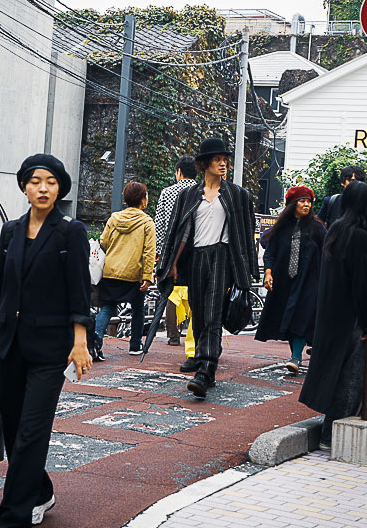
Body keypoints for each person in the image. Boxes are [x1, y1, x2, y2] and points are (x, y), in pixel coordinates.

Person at [0, 154, 91, 528]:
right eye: (35, 181)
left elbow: (80, 291)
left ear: (59, 188)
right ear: (24, 187)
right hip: (10, 345)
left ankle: (15, 522)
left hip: (50, 349)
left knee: (31, 431)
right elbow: (0, 291)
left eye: (50, 182)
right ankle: (40, 490)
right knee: (13, 430)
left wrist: (80, 342)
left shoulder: (70, 232)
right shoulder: (10, 232)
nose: (43, 188)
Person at [155, 137, 259, 399]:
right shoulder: (189, 194)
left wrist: (246, 268)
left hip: (223, 256)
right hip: (196, 258)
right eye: (217, 160)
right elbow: (178, 231)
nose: (223, 164)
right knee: (198, 313)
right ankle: (203, 361)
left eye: (225, 160)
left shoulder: (237, 194)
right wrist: (172, 264)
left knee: (213, 313)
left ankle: (206, 369)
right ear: (204, 164)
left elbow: (246, 231)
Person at [300, 181, 367, 449]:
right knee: (351, 376)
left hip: (330, 310)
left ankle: (328, 432)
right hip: (350, 316)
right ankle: (333, 436)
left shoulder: (335, 228)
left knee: (333, 370)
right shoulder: (360, 235)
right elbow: (361, 283)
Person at [255, 186, 326, 375]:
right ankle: (295, 355)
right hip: (284, 281)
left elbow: (328, 253)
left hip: (309, 281)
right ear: (292, 204)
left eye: (309, 201)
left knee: (302, 316)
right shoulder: (281, 228)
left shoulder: (317, 228)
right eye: (302, 201)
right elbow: (270, 253)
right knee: (287, 317)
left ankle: (296, 357)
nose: (306, 205)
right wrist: (268, 274)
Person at [94, 181, 155, 359]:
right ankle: (135, 345)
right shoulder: (146, 222)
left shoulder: (114, 218)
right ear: (143, 200)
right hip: (133, 274)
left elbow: (103, 242)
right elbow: (149, 252)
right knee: (138, 309)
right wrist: (147, 276)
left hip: (111, 272)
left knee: (106, 308)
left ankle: (95, 343)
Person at [154, 156, 198, 365]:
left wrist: (161, 253)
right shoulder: (202, 192)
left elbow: (160, 224)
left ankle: (173, 335)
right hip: (198, 249)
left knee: (172, 289)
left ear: (179, 172)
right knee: (198, 290)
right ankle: (196, 339)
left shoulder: (168, 192)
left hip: (172, 250)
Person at [319, 165, 366, 230]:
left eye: (357, 180)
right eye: (350, 180)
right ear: (342, 182)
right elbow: (318, 224)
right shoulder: (332, 201)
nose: (354, 184)